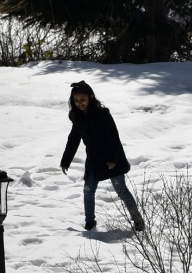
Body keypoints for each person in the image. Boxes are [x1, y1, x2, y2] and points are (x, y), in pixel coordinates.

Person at [60, 81, 144, 232]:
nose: (80, 103)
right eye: (76, 100)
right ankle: (90, 222)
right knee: (88, 190)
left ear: (90, 98)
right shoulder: (77, 117)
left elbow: (113, 137)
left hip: (112, 158)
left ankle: (137, 220)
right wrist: (66, 161)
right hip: (93, 160)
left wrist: (112, 158)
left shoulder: (102, 114)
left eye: (83, 100)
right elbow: (73, 139)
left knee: (121, 190)